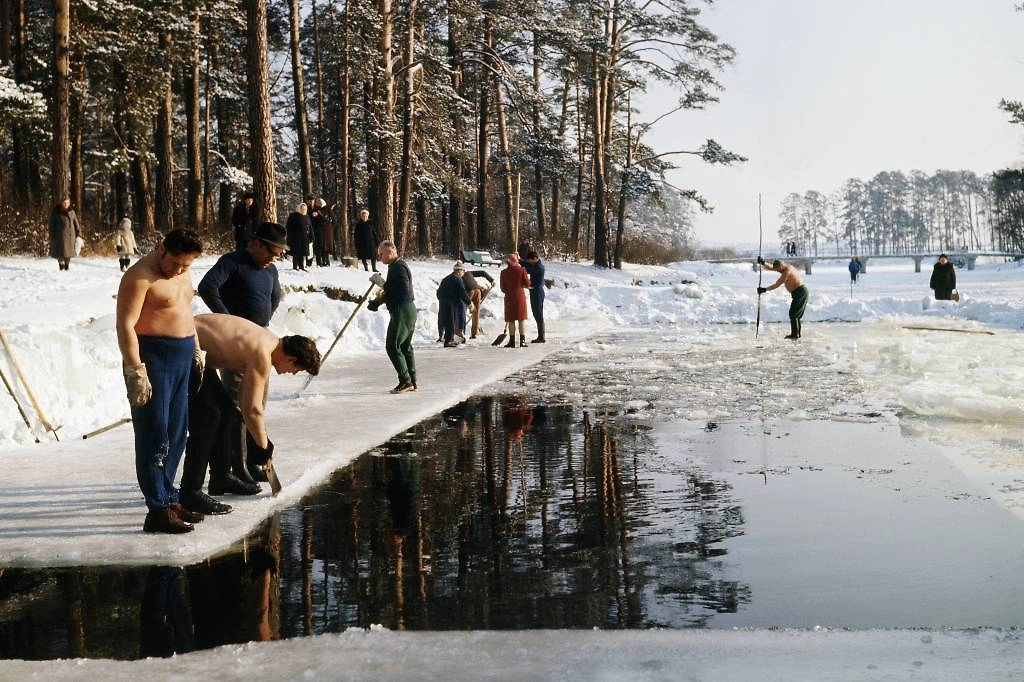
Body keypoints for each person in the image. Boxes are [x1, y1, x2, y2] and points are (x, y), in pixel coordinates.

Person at [179, 314, 321, 511]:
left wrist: (259, 442)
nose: (293, 373)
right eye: (297, 369)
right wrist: (262, 447)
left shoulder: (267, 343)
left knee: (227, 410)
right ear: (291, 358)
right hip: (183, 343)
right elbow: (254, 409)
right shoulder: (263, 352)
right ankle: (190, 491)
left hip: (194, 347)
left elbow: (245, 403)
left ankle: (221, 477)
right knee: (209, 416)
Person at [115, 229, 205, 534]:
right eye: (175, 263)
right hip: (153, 356)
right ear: (161, 248)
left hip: (182, 355)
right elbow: (125, 325)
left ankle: (169, 496)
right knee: (156, 434)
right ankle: (156, 509)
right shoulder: (139, 276)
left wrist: (196, 348)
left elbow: (186, 312)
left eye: (186, 265)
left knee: (178, 432)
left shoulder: (185, 273)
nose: (179, 270)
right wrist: (135, 369)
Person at [197, 221, 285, 492]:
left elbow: (275, 296)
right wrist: (229, 320)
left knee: (256, 405)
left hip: (261, 344)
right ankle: (237, 466)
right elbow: (207, 286)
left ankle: (253, 462)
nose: (273, 258)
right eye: (271, 251)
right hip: (234, 347)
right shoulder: (233, 262)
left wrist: (264, 319)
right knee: (238, 407)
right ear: (256, 243)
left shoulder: (270, 270)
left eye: (279, 254)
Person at [368, 240, 417, 393]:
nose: (379, 257)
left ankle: (406, 381)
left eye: (381, 254)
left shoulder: (398, 267)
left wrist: (382, 283)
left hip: (402, 310)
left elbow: (402, 290)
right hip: (407, 309)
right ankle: (412, 381)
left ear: (390, 252)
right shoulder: (396, 266)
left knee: (393, 346)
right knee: (404, 346)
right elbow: (393, 291)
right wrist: (377, 301)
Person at [756, 258, 809, 340]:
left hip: (800, 292)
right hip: (798, 292)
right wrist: (763, 263)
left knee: (794, 313)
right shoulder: (784, 267)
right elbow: (772, 268)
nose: (776, 271)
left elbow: (777, 284)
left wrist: (764, 289)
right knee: (795, 314)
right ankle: (797, 333)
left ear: (781, 266)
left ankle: (795, 334)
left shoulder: (787, 272)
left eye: (777, 270)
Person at [499, 252, 531, 348]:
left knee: (511, 320)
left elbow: (502, 288)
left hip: (509, 298)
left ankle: (512, 341)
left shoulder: (503, 273)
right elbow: (527, 283)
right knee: (521, 320)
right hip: (520, 297)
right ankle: (522, 341)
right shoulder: (521, 270)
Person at [437, 262, 471, 347]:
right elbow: (462, 292)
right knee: (451, 321)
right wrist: (469, 303)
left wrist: (441, 300)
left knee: (447, 321)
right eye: (463, 272)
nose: (463, 274)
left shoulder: (446, 278)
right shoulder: (457, 279)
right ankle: (448, 341)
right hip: (450, 302)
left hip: (443, 301)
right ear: (460, 271)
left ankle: (449, 338)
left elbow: (438, 292)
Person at [49, 197, 82, 271]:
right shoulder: (56, 212)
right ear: (61, 203)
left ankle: (67, 266)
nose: (66, 204)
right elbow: (51, 224)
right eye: (64, 202)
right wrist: (51, 234)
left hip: (71, 236)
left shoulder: (72, 212)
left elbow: (76, 223)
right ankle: (61, 266)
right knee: (60, 252)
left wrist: (79, 233)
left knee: (68, 253)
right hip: (59, 236)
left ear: (69, 203)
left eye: (67, 202)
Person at [462, 267, 495, 339]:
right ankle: (474, 333)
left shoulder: (458, 277)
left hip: (469, 292)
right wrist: (491, 280)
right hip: (478, 291)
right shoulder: (468, 273)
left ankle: (460, 332)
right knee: (475, 313)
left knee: (462, 312)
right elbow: (482, 272)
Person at [523, 251, 546, 343]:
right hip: (534, 291)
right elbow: (525, 264)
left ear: (535, 258)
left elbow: (527, 270)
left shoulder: (539, 267)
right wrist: (518, 259)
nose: (529, 263)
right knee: (536, 314)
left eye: (530, 261)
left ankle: (541, 337)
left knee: (538, 314)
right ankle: (540, 336)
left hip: (537, 292)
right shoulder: (535, 264)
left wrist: (516, 266)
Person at [285, 203, 311, 271]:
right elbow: (289, 226)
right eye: (302, 209)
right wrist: (290, 236)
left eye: (304, 209)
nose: (303, 210)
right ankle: (295, 266)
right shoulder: (294, 216)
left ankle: (301, 266)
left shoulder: (307, 217)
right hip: (296, 237)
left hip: (304, 238)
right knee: (296, 252)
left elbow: (310, 227)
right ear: (299, 209)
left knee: (302, 252)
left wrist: (311, 237)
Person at [312, 199, 334, 267]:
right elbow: (313, 221)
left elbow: (333, 220)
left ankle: (326, 262)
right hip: (318, 231)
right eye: (318, 202)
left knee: (326, 247)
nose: (319, 203)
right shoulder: (315, 209)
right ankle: (319, 263)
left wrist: (330, 227)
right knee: (319, 246)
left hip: (327, 231)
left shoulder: (328, 209)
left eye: (320, 202)